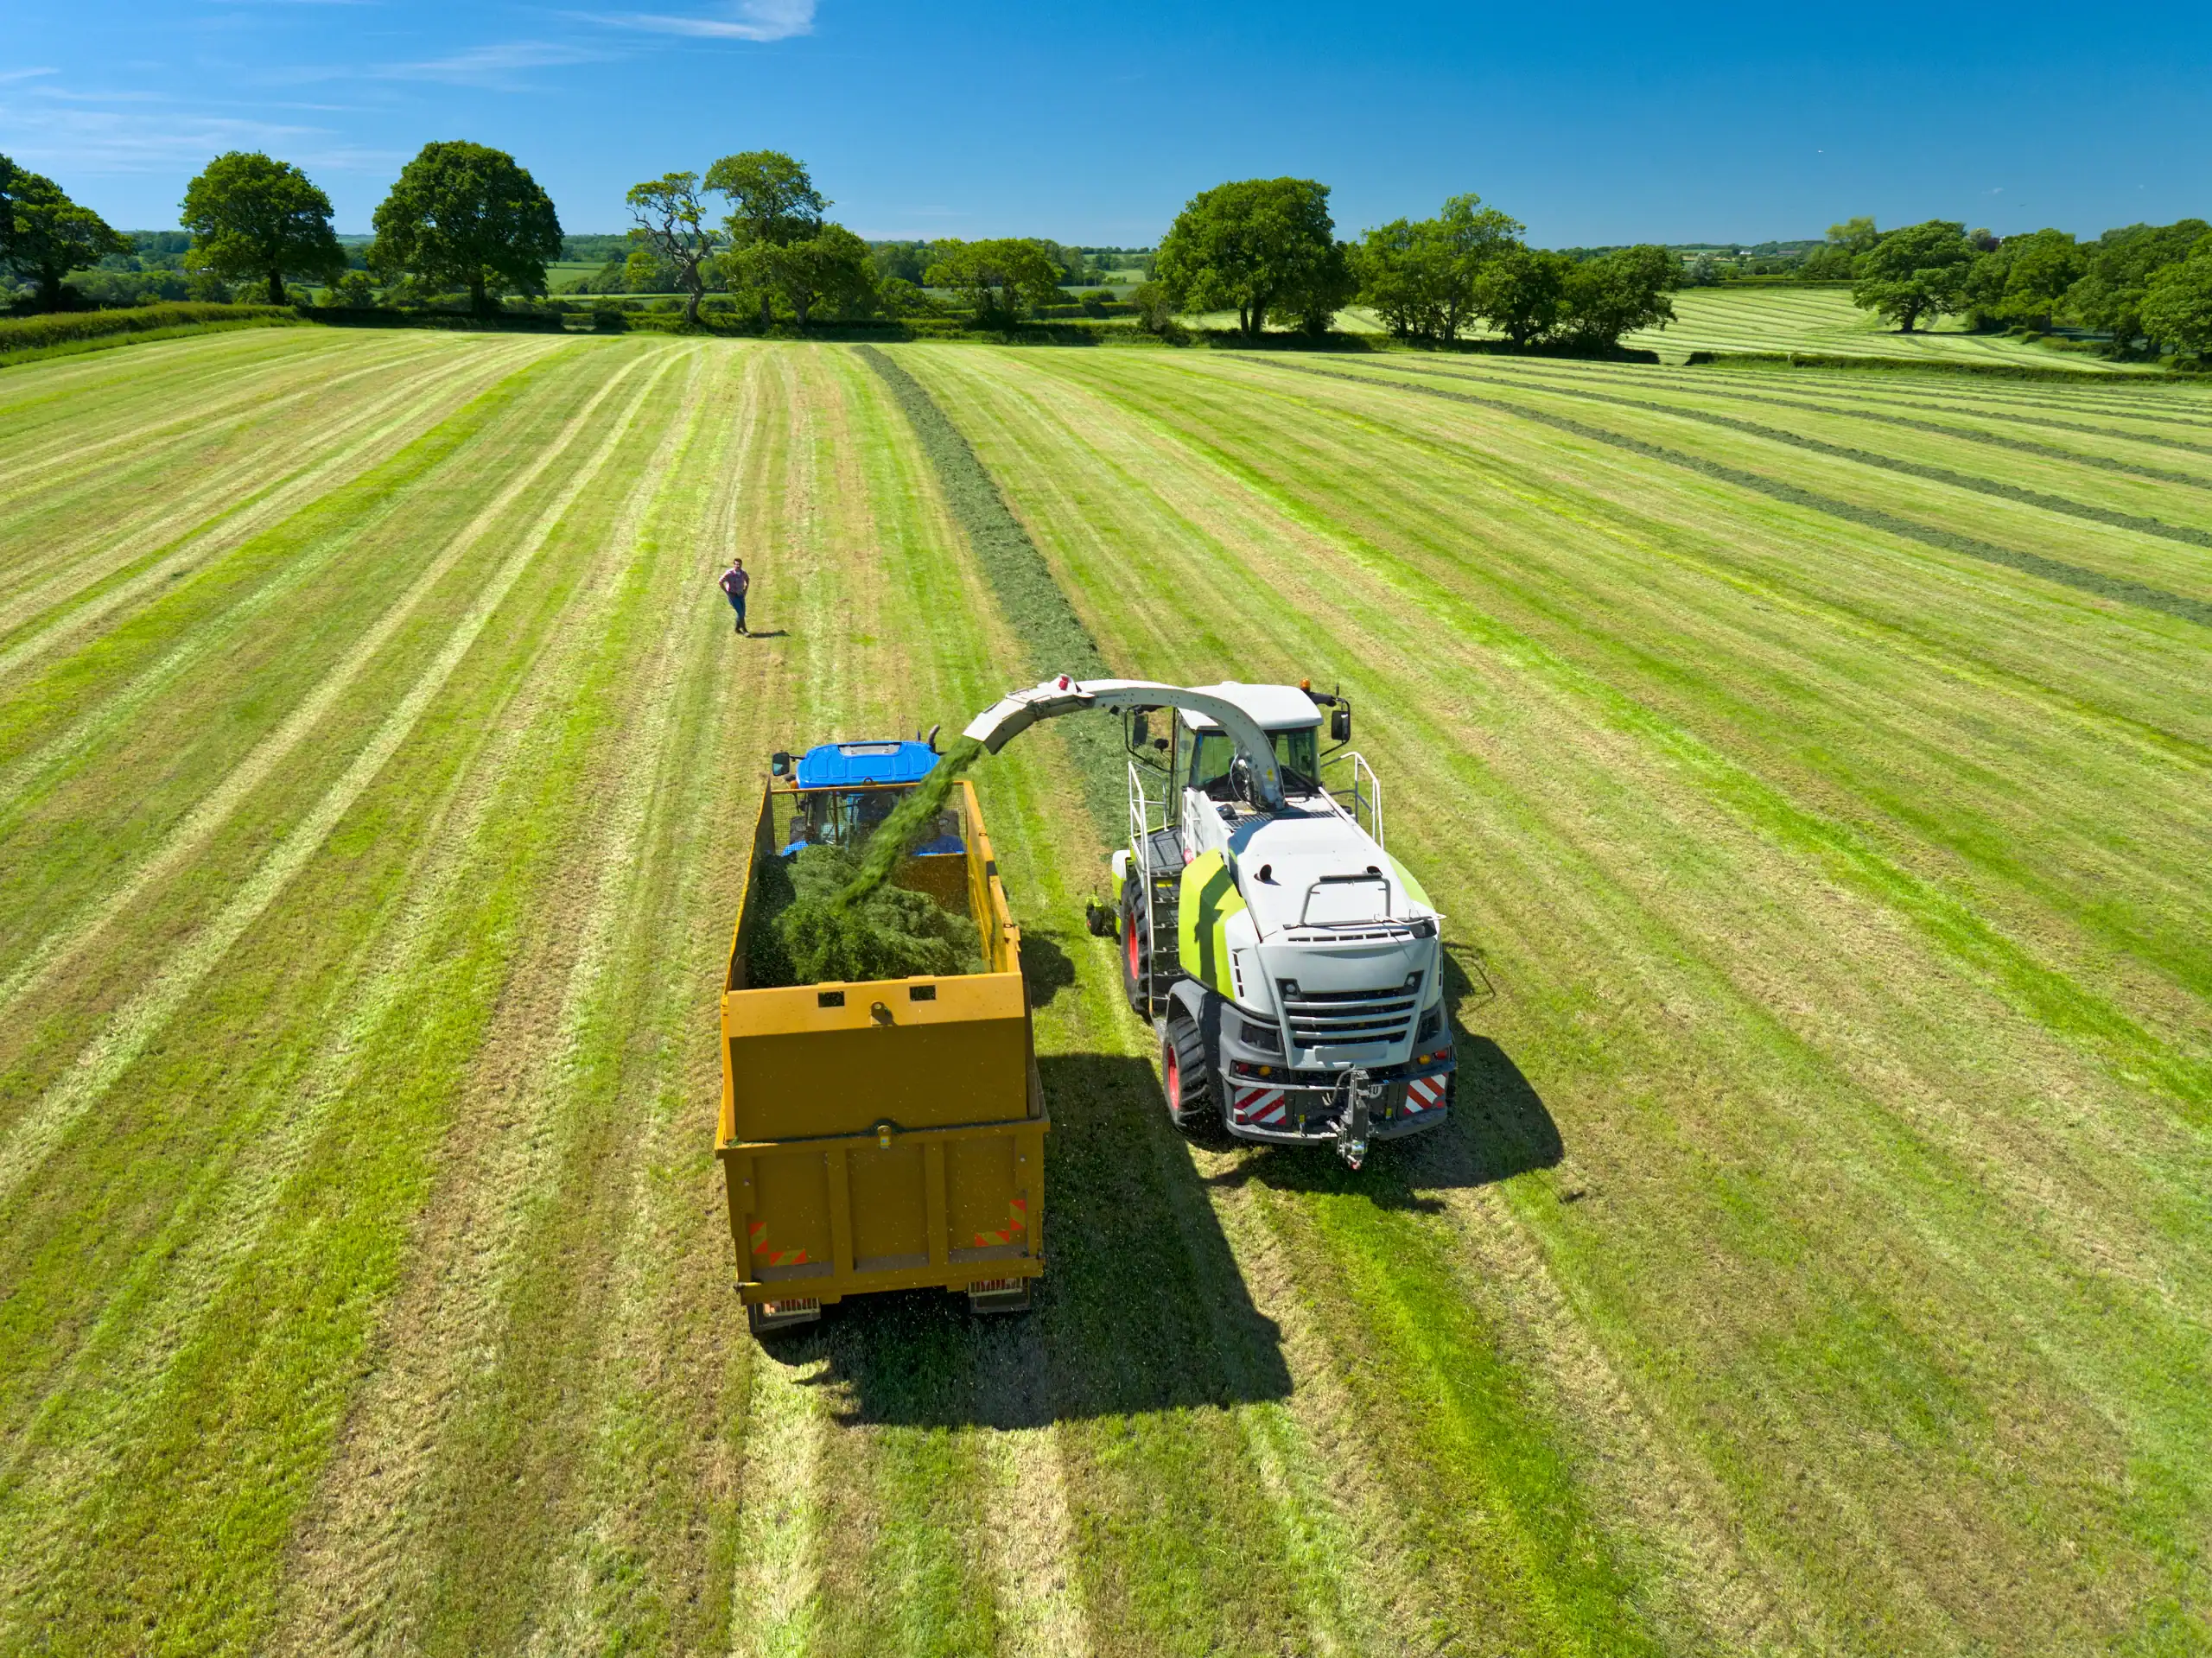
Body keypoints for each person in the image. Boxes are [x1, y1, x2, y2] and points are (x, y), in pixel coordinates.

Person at [719, 557, 750, 634]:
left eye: (739, 564)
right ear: (734, 565)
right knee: (740, 613)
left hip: (741, 595)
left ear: (741, 565)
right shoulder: (729, 573)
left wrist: (745, 590)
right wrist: (727, 592)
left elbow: (747, 579)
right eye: (736, 564)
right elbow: (720, 582)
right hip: (733, 596)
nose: (738, 566)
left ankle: (737, 628)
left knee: (742, 613)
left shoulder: (743, 573)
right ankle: (745, 630)